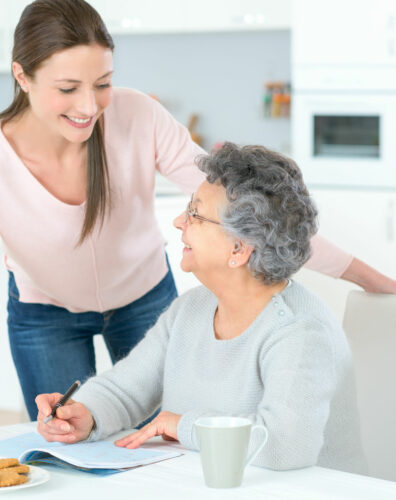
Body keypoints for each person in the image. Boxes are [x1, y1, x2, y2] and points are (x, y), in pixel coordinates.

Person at [0, 0, 394, 422]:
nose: (89, 106)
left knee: (165, 440)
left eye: (103, 83)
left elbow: (254, 213)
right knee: (64, 442)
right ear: (21, 77)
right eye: (68, 88)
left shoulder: (138, 117)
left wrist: (374, 280)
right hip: (42, 316)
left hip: (144, 304)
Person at [35, 143, 366, 474]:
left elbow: (284, 445)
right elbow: (126, 389)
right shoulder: (191, 309)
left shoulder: (301, 330)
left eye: (195, 213)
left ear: (238, 249)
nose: (180, 221)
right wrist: (85, 414)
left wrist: (182, 427)